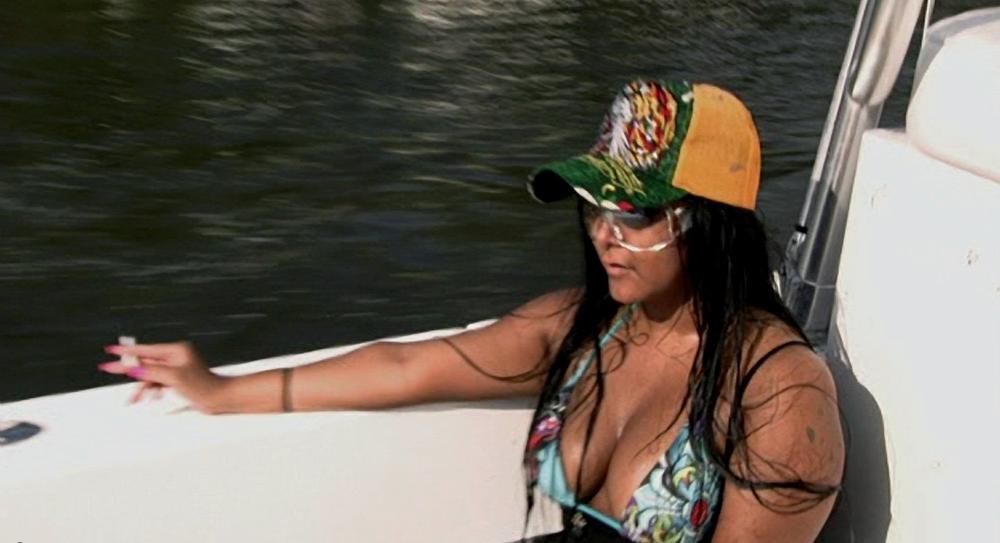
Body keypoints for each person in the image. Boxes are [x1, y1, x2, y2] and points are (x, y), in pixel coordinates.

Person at [99, 79, 844, 542]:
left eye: (634, 212)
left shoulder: (778, 393)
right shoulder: (583, 328)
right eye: (593, 207)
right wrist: (220, 390)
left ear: (711, 221)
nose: (603, 235)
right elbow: (406, 367)